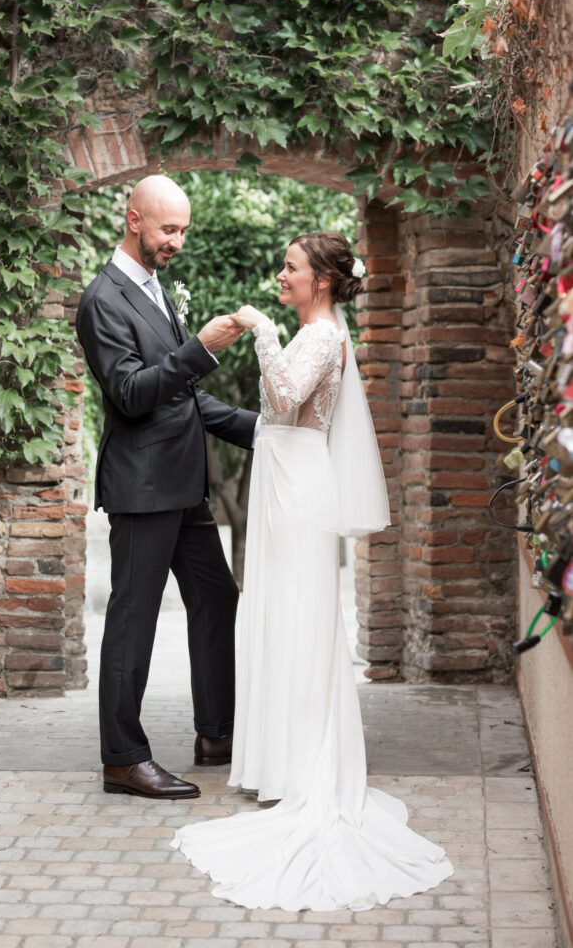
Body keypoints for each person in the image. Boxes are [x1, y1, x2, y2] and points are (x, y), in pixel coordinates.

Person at [172, 232, 454, 910]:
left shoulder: (323, 335)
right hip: (283, 476)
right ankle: (274, 761)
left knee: (298, 614)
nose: (282, 275)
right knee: (275, 613)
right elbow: (276, 410)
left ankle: (301, 766)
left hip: (298, 487)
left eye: (292, 268)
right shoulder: (316, 329)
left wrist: (260, 329)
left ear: (322, 282)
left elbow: (288, 394)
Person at [76, 175, 258, 800]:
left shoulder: (153, 289)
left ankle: (217, 734)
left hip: (184, 486)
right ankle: (123, 758)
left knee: (217, 598)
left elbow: (182, 398)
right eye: (167, 229)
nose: (177, 240)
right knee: (134, 622)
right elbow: (130, 394)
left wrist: (265, 433)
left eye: (183, 229)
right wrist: (200, 348)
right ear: (133, 220)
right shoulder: (102, 300)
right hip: (143, 488)